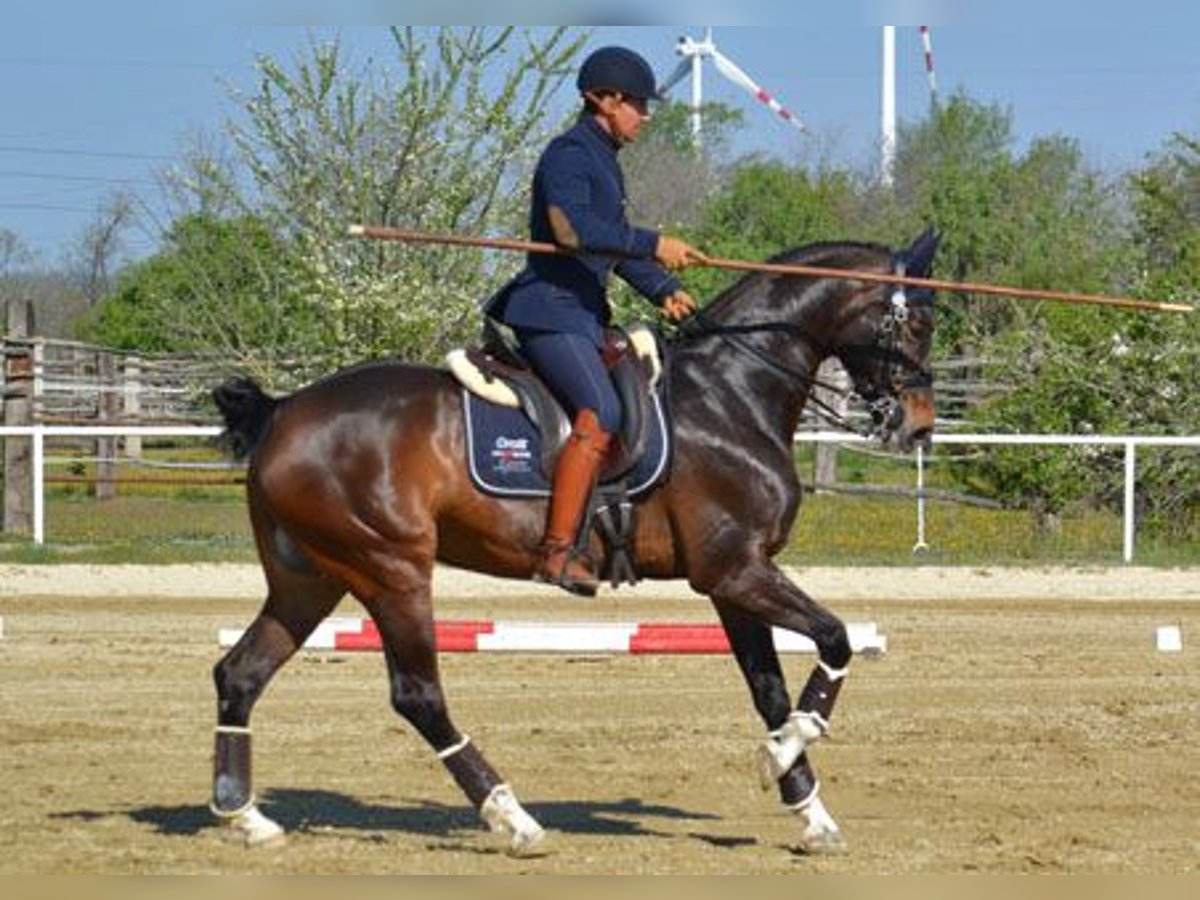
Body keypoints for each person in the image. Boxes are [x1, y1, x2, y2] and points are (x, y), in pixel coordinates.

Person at [485, 45, 707, 596]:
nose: (645, 114)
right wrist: (657, 243)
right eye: (636, 104)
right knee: (601, 408)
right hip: (549, 312)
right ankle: (557, 552)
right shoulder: (569, 154)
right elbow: (572, 233)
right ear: (602, 100)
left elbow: (608, 247)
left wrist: (662, 288)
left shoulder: (604, 161)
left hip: (584, 314)